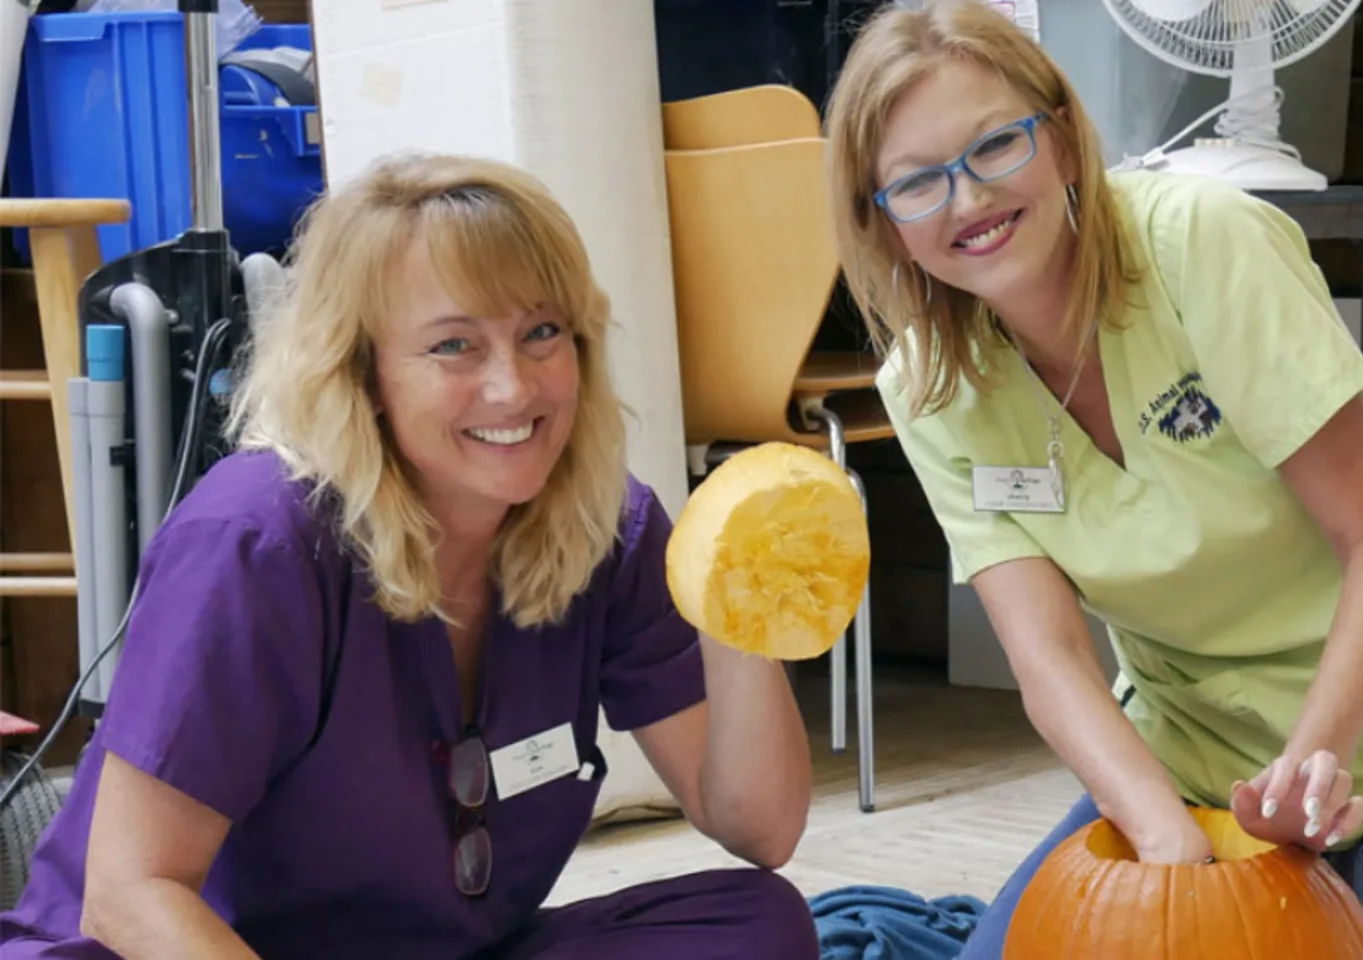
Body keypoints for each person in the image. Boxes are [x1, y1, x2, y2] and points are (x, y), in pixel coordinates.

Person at [821, 2, 1363, 958]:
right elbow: (1051, 663)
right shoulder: (926, 387)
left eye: (995, 146)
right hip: (1195, 744)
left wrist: (1309, 770)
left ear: (1063, 140)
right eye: (916, 183)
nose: (967, 200)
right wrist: (1161, 832)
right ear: (882, 225)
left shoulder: (1205, 244)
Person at [0, 153, 820, 959]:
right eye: (453, 346)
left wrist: (740, 595)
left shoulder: (606, 526)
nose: (514, 387)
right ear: (362, 374)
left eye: (542, 332)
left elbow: (760, 829)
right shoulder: (254, 545)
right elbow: (131, 897)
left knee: (757, 924)